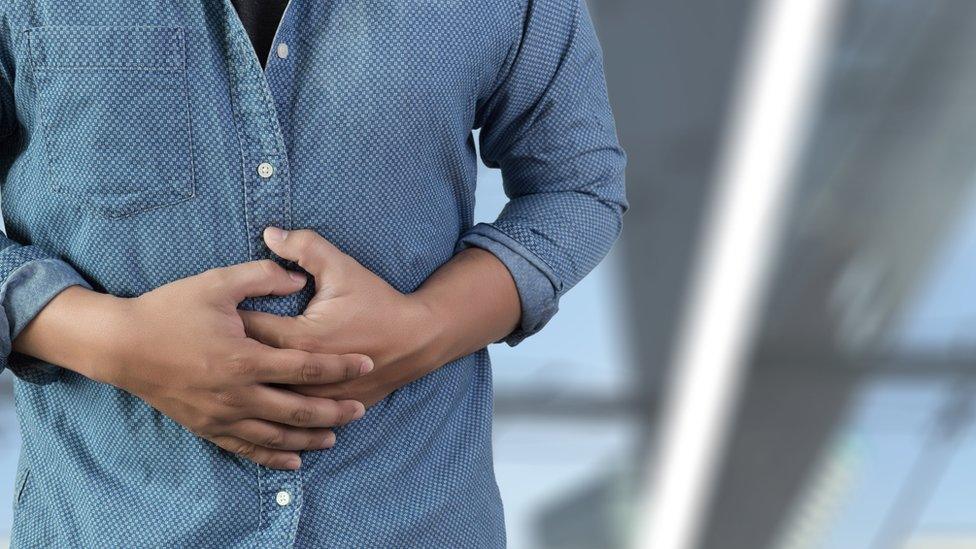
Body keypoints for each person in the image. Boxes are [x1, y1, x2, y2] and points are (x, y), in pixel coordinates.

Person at [0, 0, 627, 545]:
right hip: (107, 522)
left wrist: (426, 327)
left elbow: (577, 183)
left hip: (414, 522)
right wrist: (113, 341)